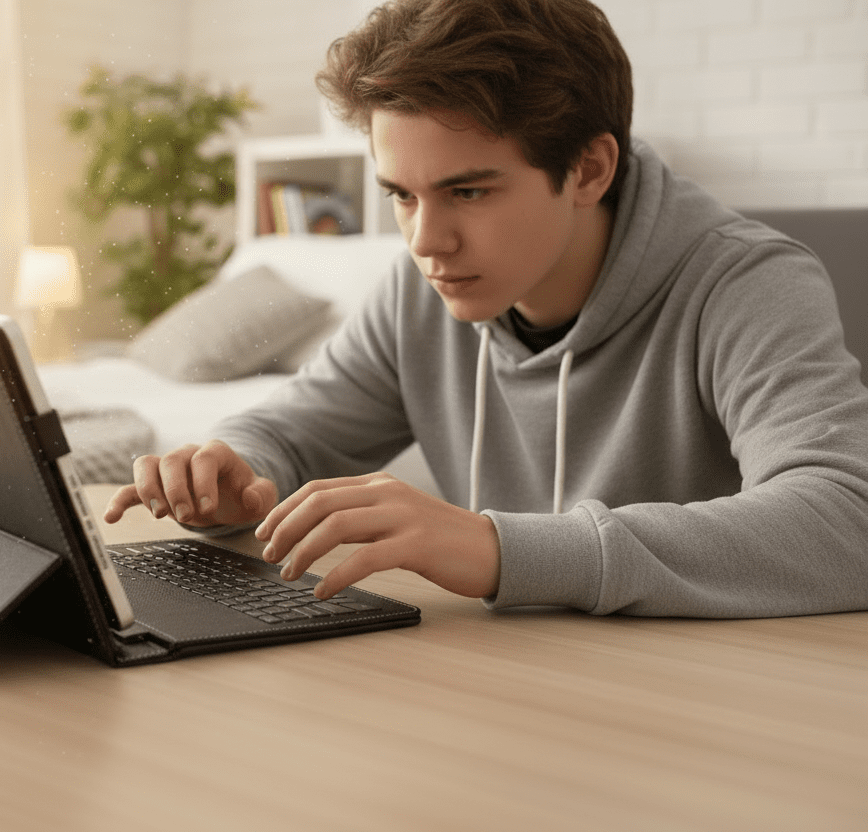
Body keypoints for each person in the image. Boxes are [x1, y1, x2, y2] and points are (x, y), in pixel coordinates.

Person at [104, 0, 868, 617]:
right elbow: (291, 430)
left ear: (589, 169)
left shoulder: (744, 282)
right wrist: (232, 468)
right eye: (401, 195)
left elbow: (846, 520)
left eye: (468, 191)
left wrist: (496, 549)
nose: (426, 240)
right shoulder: (422, 288)